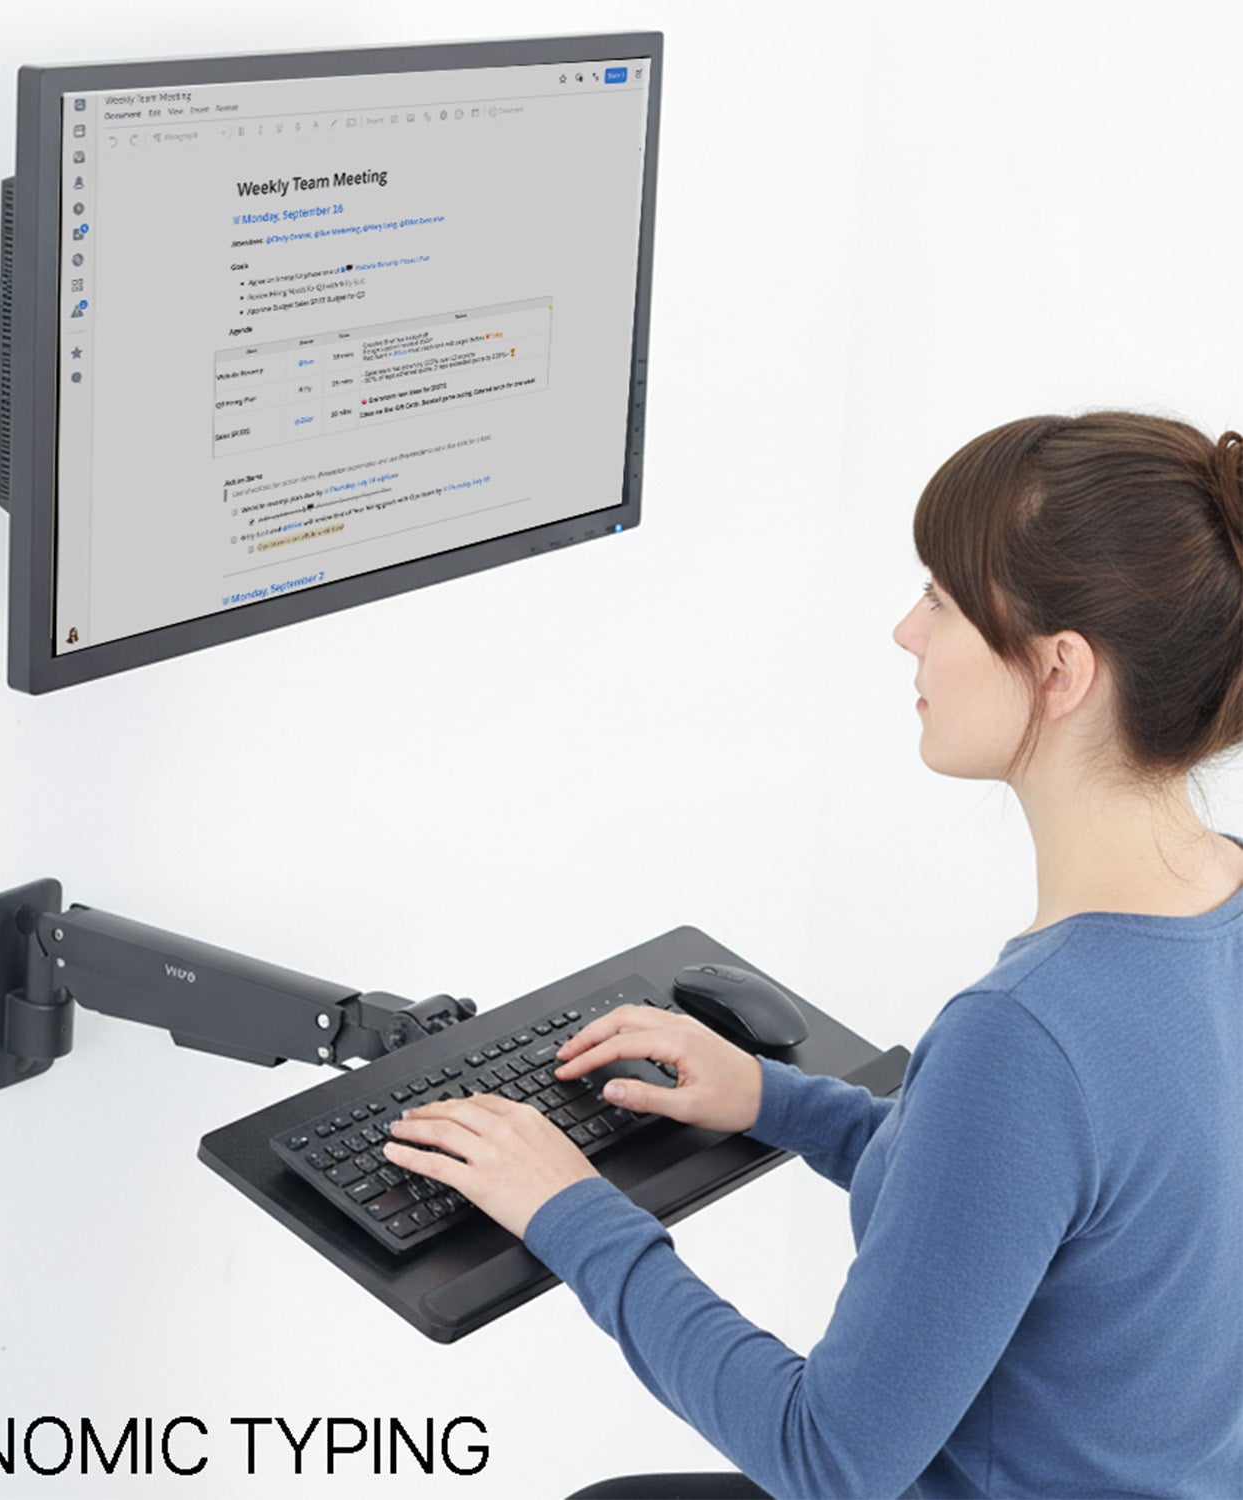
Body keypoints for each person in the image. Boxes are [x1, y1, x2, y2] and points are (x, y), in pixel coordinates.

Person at [384, 412, 1243, 1499]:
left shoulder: (1028, 1035)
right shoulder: (1216, 911)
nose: (904, 632)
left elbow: (830, 1459)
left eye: (941, 598)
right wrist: (772, 1099)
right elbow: (1040, 1201)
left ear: (1060, 670)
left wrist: (571, 1211)